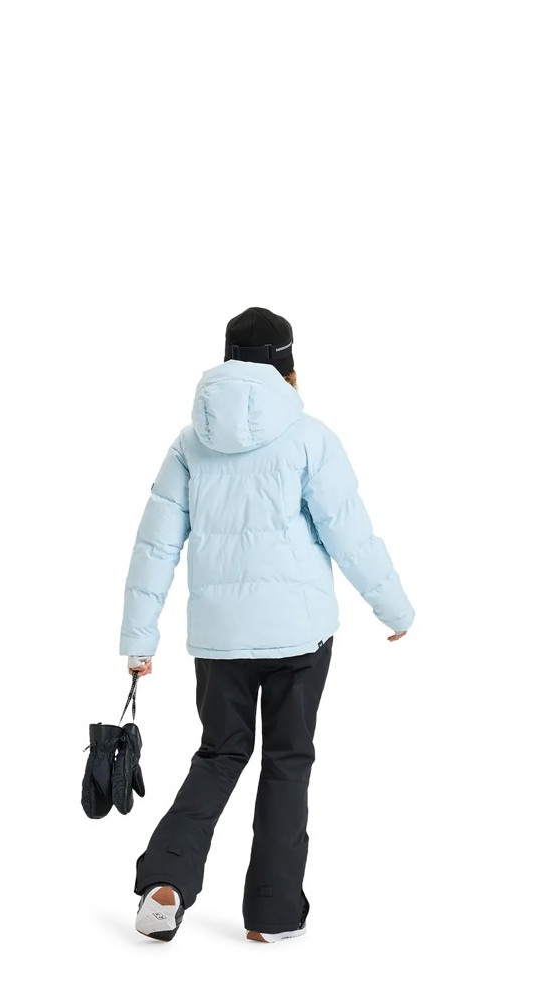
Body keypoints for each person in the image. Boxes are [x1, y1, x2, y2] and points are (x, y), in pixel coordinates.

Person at [120, 307, 414, 944]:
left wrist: (139, 640)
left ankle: (165, 882)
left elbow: (155, 548)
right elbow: (350, 535)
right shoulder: (311, 437)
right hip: (299, 636)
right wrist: (394, 610)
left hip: (219, 638)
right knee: (287, 761)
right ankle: (273, 917)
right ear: (289, 367)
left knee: (219, 753)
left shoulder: (189, 443)